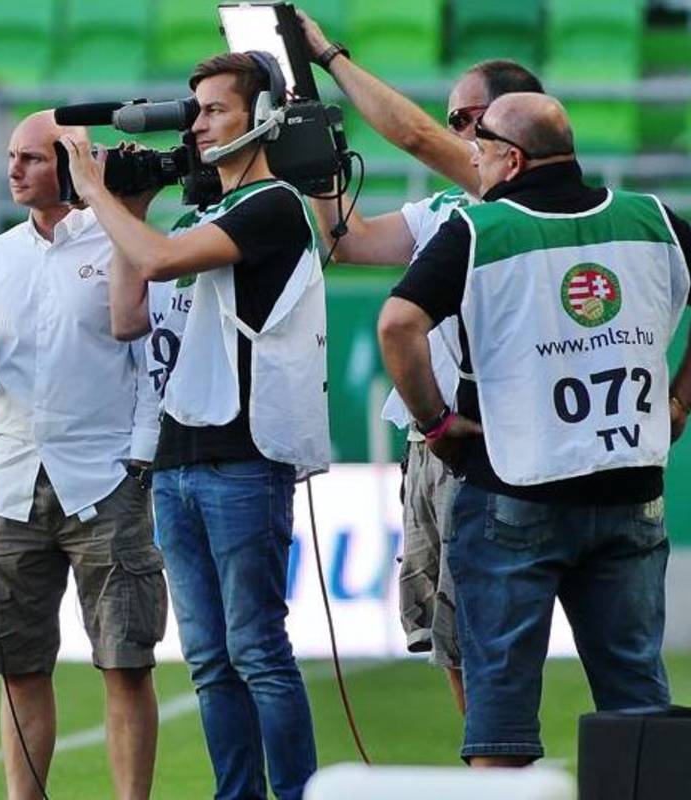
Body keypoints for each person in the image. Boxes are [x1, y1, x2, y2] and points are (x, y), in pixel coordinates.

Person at [378, 92, 691, 767]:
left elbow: (397, 324)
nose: (473, 159)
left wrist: (435, 422)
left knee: (500, 724)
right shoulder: (652, 217)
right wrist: (680, 399)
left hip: (513, 487)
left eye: (482, 147)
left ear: (513, 159)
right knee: (639, 715)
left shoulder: (478, 228)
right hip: (630, 489)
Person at [63, 52, 327, 800]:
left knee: (256, 649)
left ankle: (296, 792)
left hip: (243, 453)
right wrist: (133, 206)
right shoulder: (197, 216)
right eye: (196, 111)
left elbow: (158, 262)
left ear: (263, 116)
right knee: (210, 660)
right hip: (177, 455)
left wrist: (94, 192)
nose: (198, 126)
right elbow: (127, 314)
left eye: (215, 110)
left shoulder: (275, 205)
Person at [296, 8, 544, 713]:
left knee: (487, 628)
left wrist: (327, 57)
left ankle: (501, 760)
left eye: (468, 119)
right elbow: (350, 241)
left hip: (485, 433)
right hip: (430, 435)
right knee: (451, 638)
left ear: (513, 126)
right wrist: (316, 162)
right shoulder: (442, 206)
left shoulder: (515, 195)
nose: (455, 131)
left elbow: (412, 136)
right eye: (453, 119)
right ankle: (486, 760)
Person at [0, 111, 166, 800]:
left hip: (107, 477)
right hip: (15, 482)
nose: (14, 169)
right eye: (10, 156)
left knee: (126, 662)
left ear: (69, 166)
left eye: (30, 157)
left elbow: (155, 365)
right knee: (18, 666)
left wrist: (140, 461)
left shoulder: (123, 242)